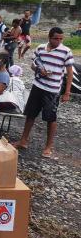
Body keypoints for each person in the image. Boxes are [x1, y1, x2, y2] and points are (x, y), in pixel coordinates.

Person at [12, 27, 74, 158]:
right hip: (37, 86)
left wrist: (67, 92)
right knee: (30, 114)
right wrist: (39, 70)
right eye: (56, 38)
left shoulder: (66, 52)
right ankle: (23, 140)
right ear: (49, 38)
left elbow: (70, 73)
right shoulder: (40, 48)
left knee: (50, 118)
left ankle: (48, 146)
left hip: (52, 90)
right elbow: (33, 64)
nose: (58, 41)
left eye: (61, 39)